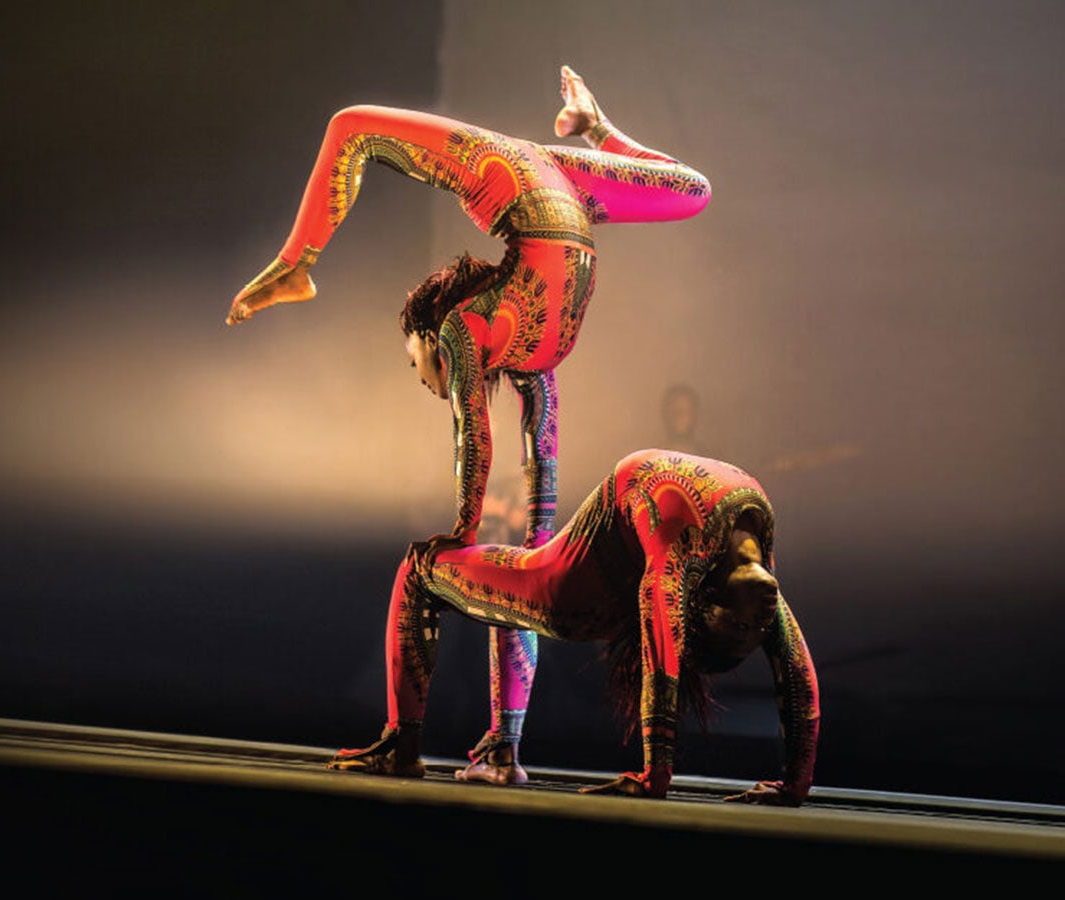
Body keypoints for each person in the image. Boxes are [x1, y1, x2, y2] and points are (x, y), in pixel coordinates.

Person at [226, 66, 712, 786]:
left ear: (428, 335)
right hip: (561, 188)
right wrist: (520, 551)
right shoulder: (535, 361)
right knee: (692, 189)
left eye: (414, 360)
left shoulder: (462, 327)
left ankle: (294, 265)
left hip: (508, 168)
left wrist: (461, 529)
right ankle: (504, 750)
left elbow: (473, 435)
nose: (422, 376)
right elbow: (538, 497)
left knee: (351, 126)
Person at [326, 449, 820, 805]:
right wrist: (657, 776)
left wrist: (794, 785)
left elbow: (794, 674)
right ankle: (419, 746)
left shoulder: (745, 568)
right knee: (421, 569)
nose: (756, 628)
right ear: (704, 601)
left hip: (592, 599)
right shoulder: (685, 539)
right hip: (565, 592)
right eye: (744, 630)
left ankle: (412, 747)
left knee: (420, 571)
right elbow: (665, 655)